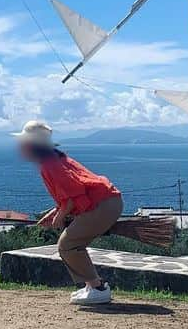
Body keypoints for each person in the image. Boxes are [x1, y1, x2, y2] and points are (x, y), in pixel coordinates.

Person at [15, 120, 122, 305]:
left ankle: (98, 288)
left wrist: (61, 215)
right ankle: (92, 286)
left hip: (103, 205)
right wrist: (55, 212)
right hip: (107, 202)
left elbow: (74, 194)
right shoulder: (54, 160)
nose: (20, 148)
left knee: (68, 244)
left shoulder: (50, 165)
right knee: (72, 244)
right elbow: (70, 194)